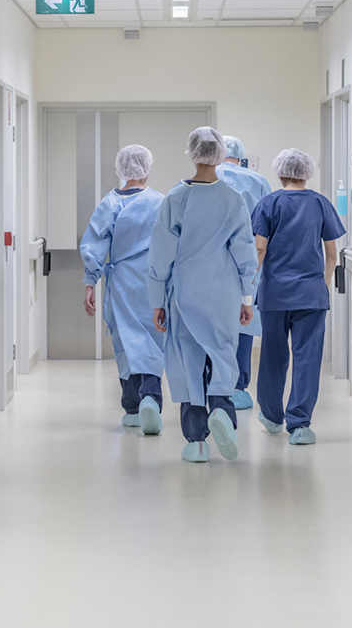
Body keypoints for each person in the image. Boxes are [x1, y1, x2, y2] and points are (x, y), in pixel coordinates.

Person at [148, 127, 258, 463]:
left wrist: (157, 301)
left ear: (193, 154)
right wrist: (246, 298)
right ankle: (222, 409)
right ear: (221, 153)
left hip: (184, 295)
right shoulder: (232, 199)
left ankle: (195, 441)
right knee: (223, 354)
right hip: (222, 294)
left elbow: (160, 255)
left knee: (187, 362)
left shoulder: (174, 200)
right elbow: (246, 254)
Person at [251, 148, 345, 445]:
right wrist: (324, 284)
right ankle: (300, 424)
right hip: (310, 295)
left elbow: (259, 250)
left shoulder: (269, 203)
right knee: (307, 358)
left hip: (275, 293)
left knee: (272, 356)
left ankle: (271, 415)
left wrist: (248, 286)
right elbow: (332, 253)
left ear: (280, 173)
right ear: (307, 174)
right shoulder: (320, 203)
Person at [81, 145, 167, 435]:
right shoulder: (160, 202)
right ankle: (151, 399)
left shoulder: (110, 203)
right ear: (147, 168)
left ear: (121, 169)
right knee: (153, 340)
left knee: (126, 342)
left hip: (120, 282)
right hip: (154, 281)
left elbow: (94, 246)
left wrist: (90, 282)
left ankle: (131, 407)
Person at [216, 135, 272, 411]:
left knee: (210, 323)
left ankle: (212, 384)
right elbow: (268, 228)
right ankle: (237, 388)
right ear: (241, 156)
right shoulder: (258, 182)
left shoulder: (204, 178)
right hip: (249, 261)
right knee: (244, 318)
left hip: (209, 262)